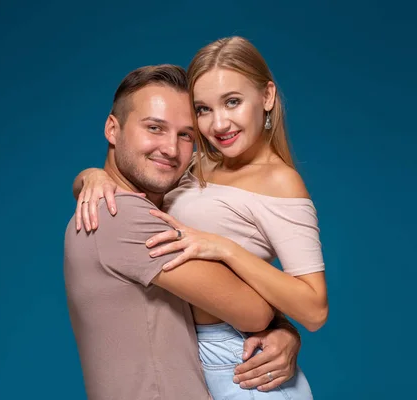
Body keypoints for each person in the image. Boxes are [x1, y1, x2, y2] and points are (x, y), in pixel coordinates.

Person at [73, 37, 328, 399]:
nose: (219, 123)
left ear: (267, 97)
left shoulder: (280, 181)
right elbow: (135, 186)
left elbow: (315, 308)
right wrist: (91, 176)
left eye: (233, 102)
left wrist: (225, 249)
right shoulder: (196, 165)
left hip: (242, 365)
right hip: (200, 358)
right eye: (203, 109)